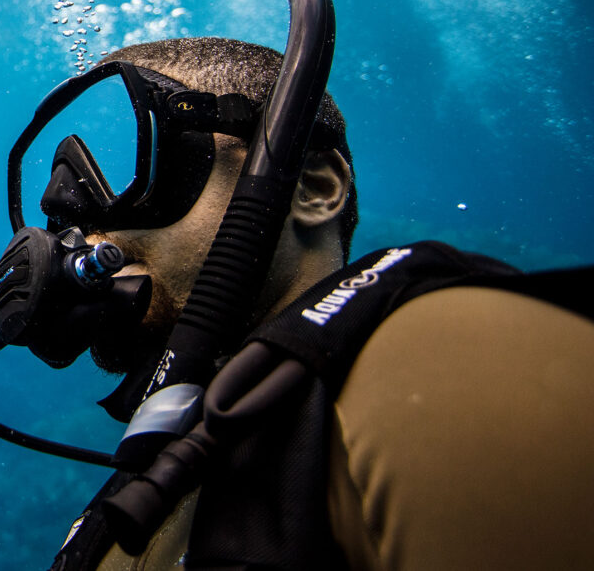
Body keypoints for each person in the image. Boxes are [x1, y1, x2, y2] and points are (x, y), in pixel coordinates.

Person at [46, 37, 594, 570]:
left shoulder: (446, 358)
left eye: (141, 165)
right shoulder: (168, 463)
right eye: (70, 204)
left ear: (312, 187)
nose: (85, 228)